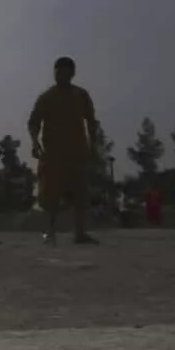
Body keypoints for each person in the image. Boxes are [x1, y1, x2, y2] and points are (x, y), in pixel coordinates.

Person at [28, 56, 100, 245]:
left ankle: (80, 233)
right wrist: (35, 143)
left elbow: (91, 122)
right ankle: (50, 232)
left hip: (77, 152)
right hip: (53, 154)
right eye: (57, 70)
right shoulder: (46, 97)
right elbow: (34, 122)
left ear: (72, 73)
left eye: (64, 70)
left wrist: (94, 146)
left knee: (81, 194)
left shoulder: (81, 95)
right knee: (50, 194)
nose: (60, 74)